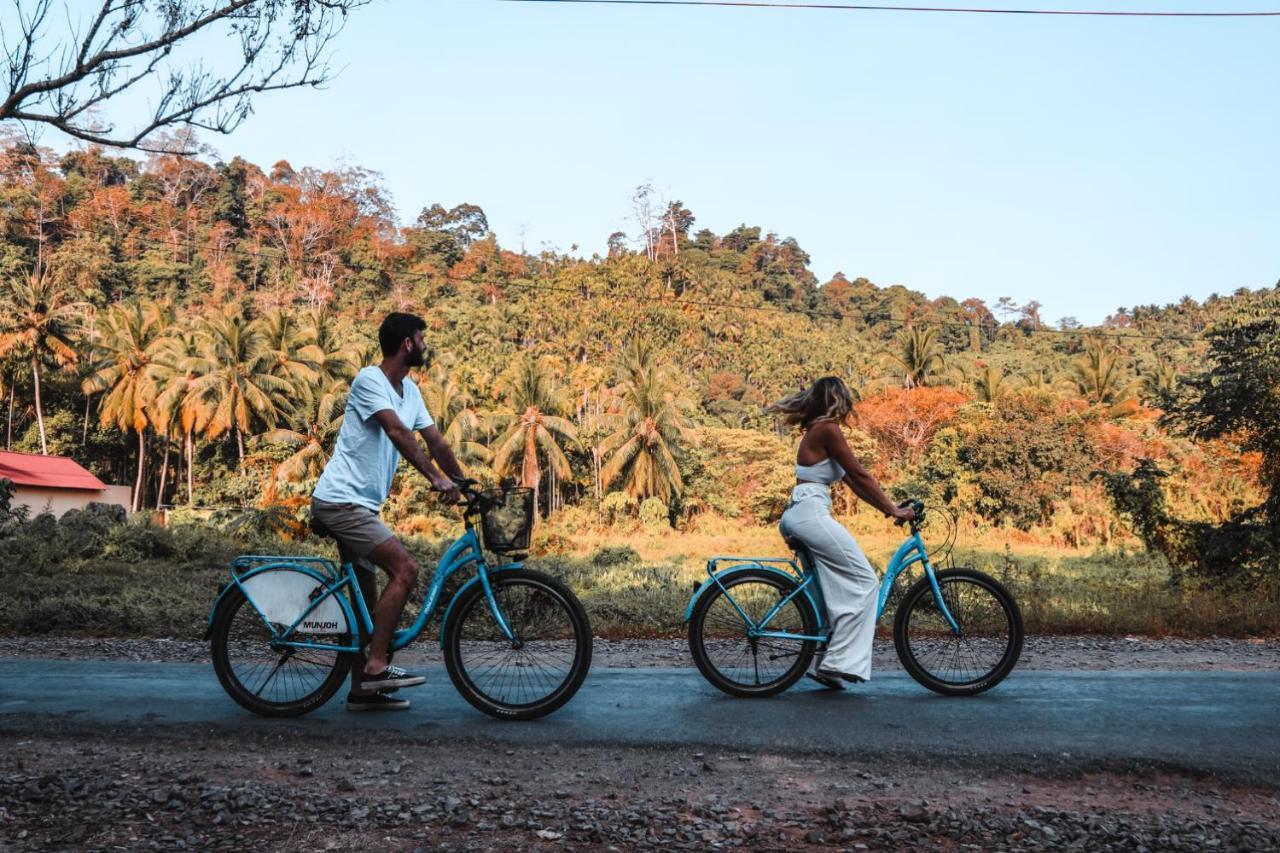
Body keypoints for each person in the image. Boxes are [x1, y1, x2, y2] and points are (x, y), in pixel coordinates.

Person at [311, 312, 464, 711]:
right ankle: (376, 666)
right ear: (407, 344)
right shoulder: (369, 381)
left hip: (362, 506)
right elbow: (398, 433)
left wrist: (463, 482)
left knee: (367, 601)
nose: (426, 345)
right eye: (422, 338)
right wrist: (435, 479)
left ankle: (362, 691)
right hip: (341, 502)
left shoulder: (410, 392)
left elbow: (436, 442)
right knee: (406, 569)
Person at [769, 376, 915, 689]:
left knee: (834, 590)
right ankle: (836, 662)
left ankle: (828, 663)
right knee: (865, 581)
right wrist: (894, 510)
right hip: (809, 513)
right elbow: (861, 474)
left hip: (804, 511)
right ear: (837, 399)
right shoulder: (827, 429)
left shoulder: (819, 430)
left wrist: (888, 507)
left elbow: (855, 483)